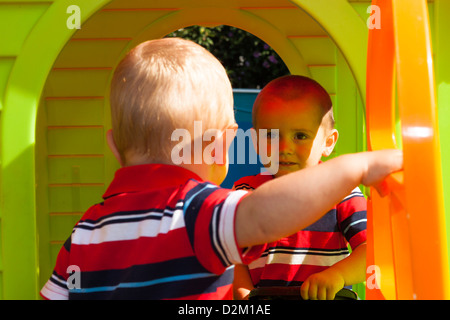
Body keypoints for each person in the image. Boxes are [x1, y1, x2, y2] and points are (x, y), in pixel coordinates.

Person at [40, 38, 402, 300]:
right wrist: (357, 166)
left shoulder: (85, 230)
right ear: (223, 144)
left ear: (114, 146)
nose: (285, 148)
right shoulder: (199, 210)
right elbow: (262, 218)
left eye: (300, 136)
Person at [233, 75, 367, 300]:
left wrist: (337, 276)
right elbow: (232, 255)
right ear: (255, 142)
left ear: (328, 142)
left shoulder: (341, 190)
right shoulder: (246, 192)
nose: (284, 147)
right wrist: (243, 292)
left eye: (300, 136)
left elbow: (371, 250)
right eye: (271, 136)